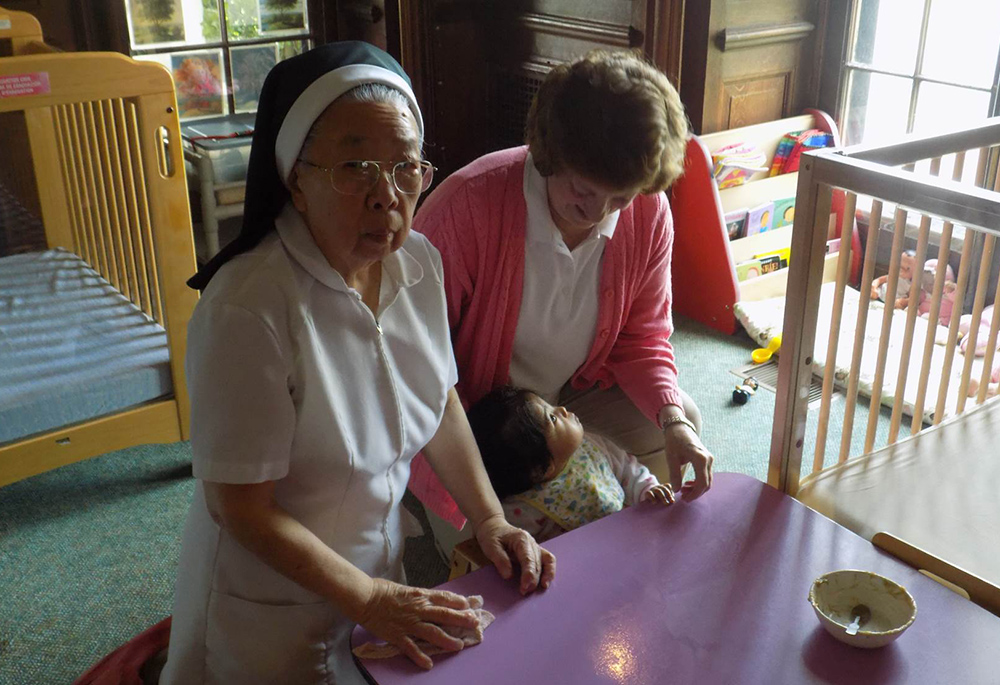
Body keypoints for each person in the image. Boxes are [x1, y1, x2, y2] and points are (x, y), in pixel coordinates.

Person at [161, 42, 554, 685]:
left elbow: (441, 399)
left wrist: (489, 519)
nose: (386, 196)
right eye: (355, 168)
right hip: (268, 604)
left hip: (374, 572)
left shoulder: (418, 262)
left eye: (404, 169)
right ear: (296, 176)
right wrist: (370, 599)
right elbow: (241, 509)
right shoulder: (250, 306)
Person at [407, 49, 714, 534]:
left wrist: (674, 421)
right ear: (550, 155)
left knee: (682, 417)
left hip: (563, 403)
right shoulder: (466, 208)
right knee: (498, 559)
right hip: (475, 421)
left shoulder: (648, 213)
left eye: (622, 196)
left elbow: (644, 340)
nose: (600, 211)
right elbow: (416, 370)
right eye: (584, 190)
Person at [468, 385, 675, 542]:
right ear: (543, 468)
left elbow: (629, 471)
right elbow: (522, 546)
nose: (562, 410)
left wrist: (647, 490)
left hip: (627, 536)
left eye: (552, 406)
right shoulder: (522, 510)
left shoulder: (590, 447)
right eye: (553, 419)